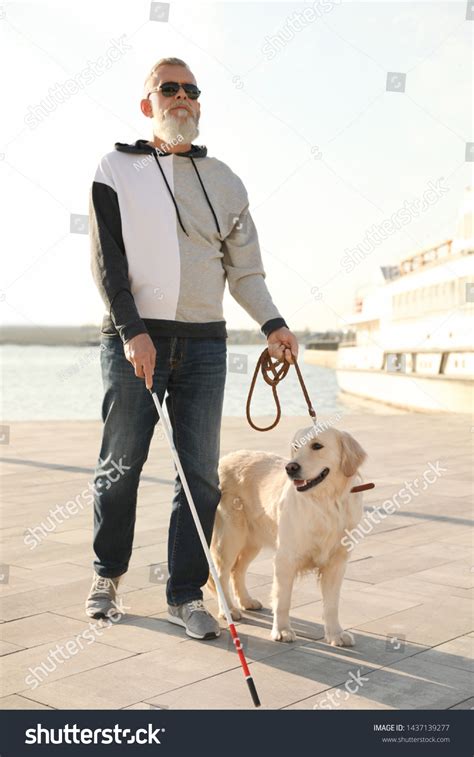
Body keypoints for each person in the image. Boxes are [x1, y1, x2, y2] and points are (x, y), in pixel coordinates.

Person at [86, 56, 299, 640]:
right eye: (168, 89)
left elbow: (245, 272)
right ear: (147, 103)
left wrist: (273, 324)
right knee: (120, 464)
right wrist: (133, 330)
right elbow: (108, 263)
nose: (182, 97)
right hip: (136, 340)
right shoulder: (116, 167)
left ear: (199, 103)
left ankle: (185, 593)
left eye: (191, 90)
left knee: (200, 474)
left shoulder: (226, 180)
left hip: (205, 345)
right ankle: (107, 575)